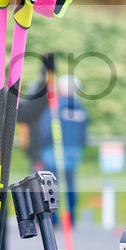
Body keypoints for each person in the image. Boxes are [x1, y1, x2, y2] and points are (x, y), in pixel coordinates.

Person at [37, 74, 89, 225]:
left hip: (53, 149)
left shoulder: (56, 106)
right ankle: (70, 218)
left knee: (50, 184)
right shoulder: (81, 108)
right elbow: (84, 133)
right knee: (70, 184)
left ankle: (52, 219)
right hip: (73, 150)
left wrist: (41, 147)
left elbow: (45, 129)